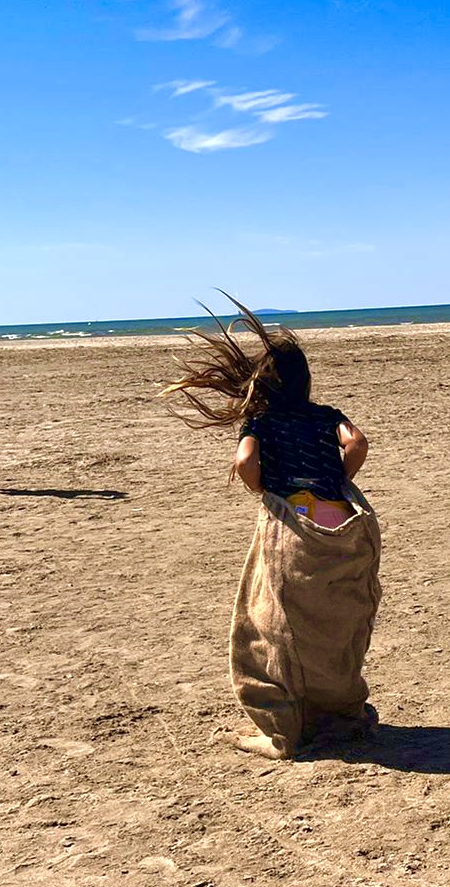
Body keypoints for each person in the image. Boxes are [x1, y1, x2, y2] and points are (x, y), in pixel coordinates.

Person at [162, 296, 380, 758]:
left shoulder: (260, 419)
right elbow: (357, 442)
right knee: (339, 622)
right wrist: (340, 478)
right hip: (342, 517)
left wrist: (262, 490)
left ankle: (282, 733)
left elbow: (244, 460)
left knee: (271, 625)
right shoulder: (326, 416)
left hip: (295, 520)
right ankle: (341, 712)